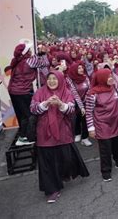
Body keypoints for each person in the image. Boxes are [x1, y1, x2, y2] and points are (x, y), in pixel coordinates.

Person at [30, 71, 89, 203]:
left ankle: (63, 175)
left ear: (60, 80)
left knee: (66, 159)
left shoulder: (66, 92)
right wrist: (45, 104)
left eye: (54, 79)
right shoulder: (40, 92)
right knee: (47, 164)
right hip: (44, 134)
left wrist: (61, 104)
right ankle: (52, 190)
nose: (52, 81)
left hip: (63, 132)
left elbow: (72, 110)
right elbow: (33, 109)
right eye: (49, 79)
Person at [85, 69, 118, 182]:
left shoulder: (115, 88)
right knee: (105, 148)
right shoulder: (92, 94)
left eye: (111, 76)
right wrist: (91, 128)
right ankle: (106, 171)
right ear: (101, 78)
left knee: (117, 144)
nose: (111, 79)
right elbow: (89, 112)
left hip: (117, 121)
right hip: (102, 123)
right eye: (108, 77)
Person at [8, 43, 50, 146]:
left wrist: (39, 54)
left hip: (14, 91)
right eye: (29, 50)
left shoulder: (17, 60)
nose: (31, 51)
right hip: (22, 92)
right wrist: (43, 53)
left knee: (21, 115)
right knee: (29, 115)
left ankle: (23, 136)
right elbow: (45, 63)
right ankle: (25, 137)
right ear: (26, 52)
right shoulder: (30, 61)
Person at [65, 61, 92, 147]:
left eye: (82, 68)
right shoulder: (69, 79)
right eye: (79, 68)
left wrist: (86, 102)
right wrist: (81, 106)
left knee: (85, 118)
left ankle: (85, 138)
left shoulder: (85, 77)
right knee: (76, 118)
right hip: (74, 102)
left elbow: (89, 89)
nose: (81, 69)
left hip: (85, 101)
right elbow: (74, 94)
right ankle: (77, 133)